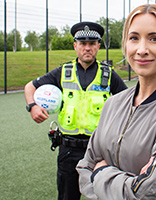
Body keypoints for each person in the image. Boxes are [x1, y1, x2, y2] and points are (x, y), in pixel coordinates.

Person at [76, 4, 156, 200]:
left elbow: (149, 195)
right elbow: (84, 168)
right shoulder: (113, 104)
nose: (142, 49)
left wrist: (101, 174)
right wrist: (130, 183)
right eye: (134, 38)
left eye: (154, 39)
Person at [24, 21, 127, 200]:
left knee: (106, 195)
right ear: (75, 46)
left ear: (98, 46)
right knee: (67, 196)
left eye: (92, 44)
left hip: (99, 150)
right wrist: (32, 107)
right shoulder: (63, 72)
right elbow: (29, 87)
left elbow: (129, 100)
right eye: (82, 44)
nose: (87, 48)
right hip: (68, 150)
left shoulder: (108, 74)